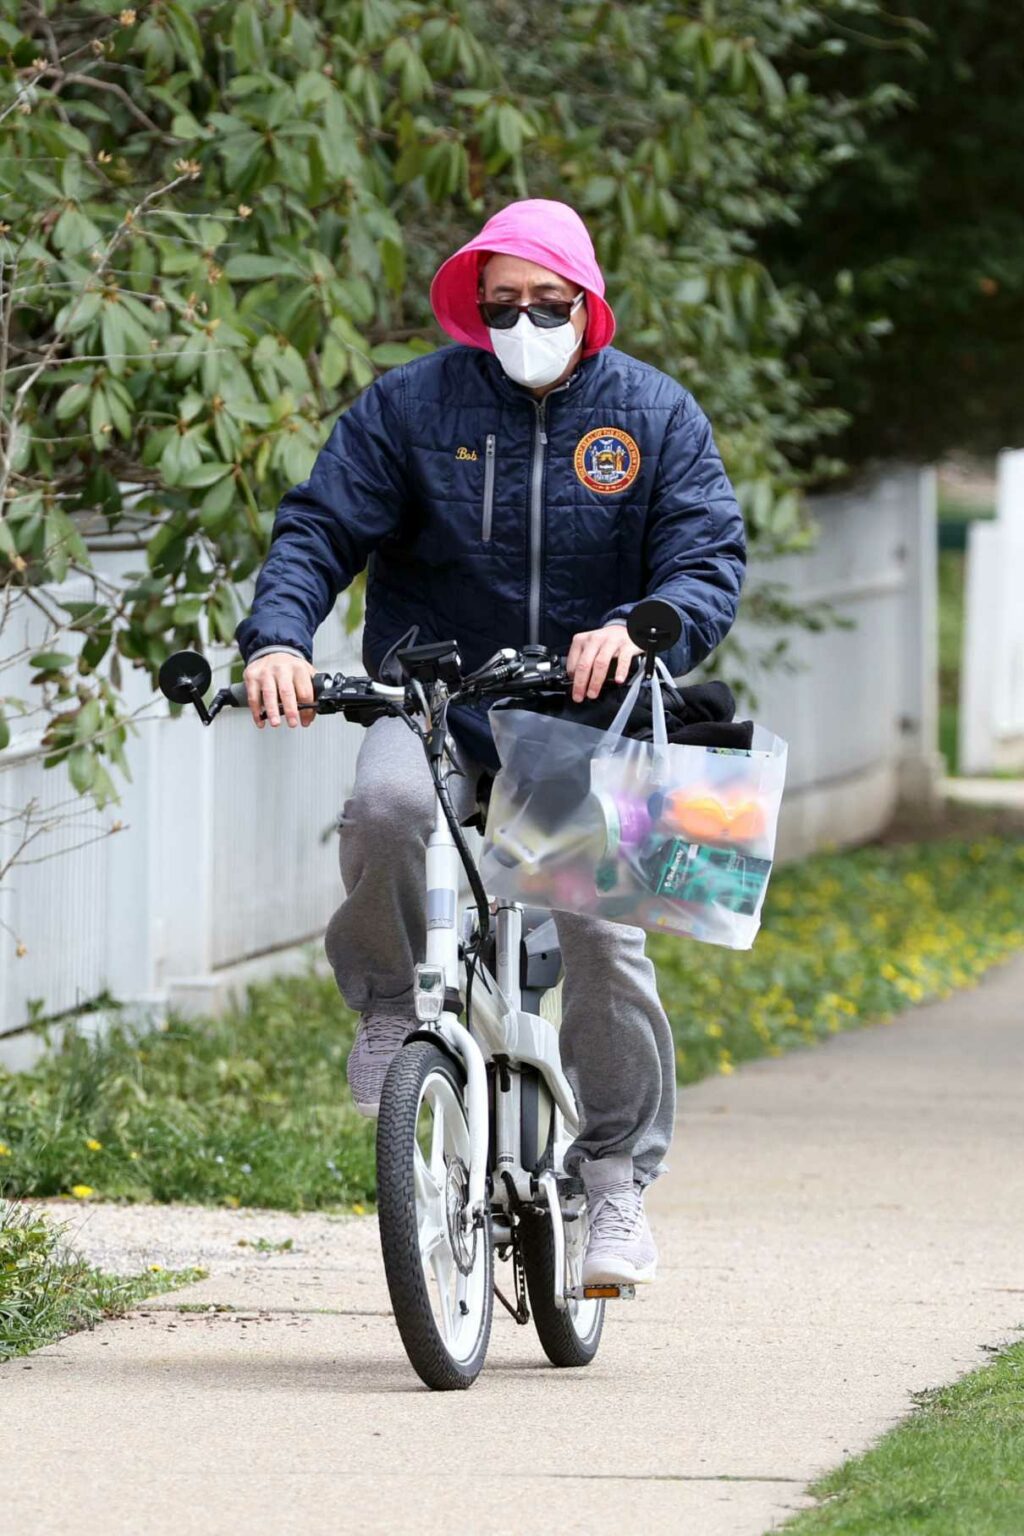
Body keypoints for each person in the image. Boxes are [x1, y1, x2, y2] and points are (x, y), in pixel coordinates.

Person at [236, 199, 746, 1287]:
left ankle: (614, 1180)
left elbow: (705, 556)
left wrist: (641, 627)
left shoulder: (654, 414)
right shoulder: (409, 407)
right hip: (432, 701)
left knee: (601, 934)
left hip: (580, 719)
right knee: (387, 810)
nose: (524, 322)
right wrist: (278, 639)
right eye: (502, 303)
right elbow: (319, 527)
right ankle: (389, 1009)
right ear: (473, 305)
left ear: (588, 303)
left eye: (546, 303)